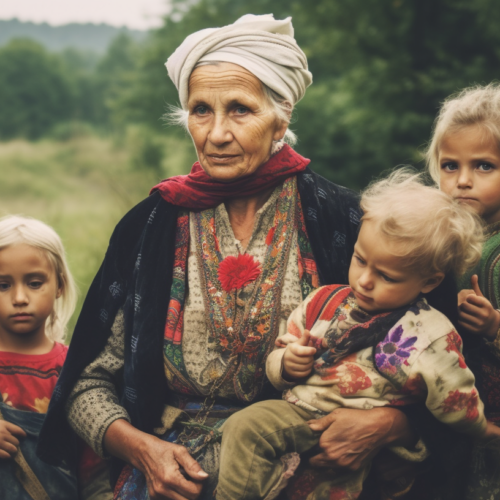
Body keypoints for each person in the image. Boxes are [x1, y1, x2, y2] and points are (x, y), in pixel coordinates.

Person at [38, 14, 424, 500]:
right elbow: (85, 382)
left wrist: (388, 424)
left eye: (240, 110)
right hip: (167, 481)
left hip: (307, 471)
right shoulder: (152, 225)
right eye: (201, 110)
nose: (217, 133)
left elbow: (430, 356)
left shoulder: (343, 221)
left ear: (281, 115)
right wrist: (143, 451)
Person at [216, 171, 500, 500]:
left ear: (430, 282)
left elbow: (454, 396)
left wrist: (482, 429)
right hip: (300, 413)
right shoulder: (324, 302)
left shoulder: (430, 334)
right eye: (360, 259)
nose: (364, 280)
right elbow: (282, 351)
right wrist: (286, 364)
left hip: (367, 433)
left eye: (386, 276)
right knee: (245, 427)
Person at [426, 83, 500, 500]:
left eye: (484, 166)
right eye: (450, 166)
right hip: (453, 407)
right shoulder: (442, 240)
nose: (463, 181)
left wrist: (493, 325)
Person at [0, 215, 79, 499]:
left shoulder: (72, 368)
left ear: (59, 285)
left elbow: (94, 469)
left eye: (34, 283)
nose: (19, 297)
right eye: (3, 285)